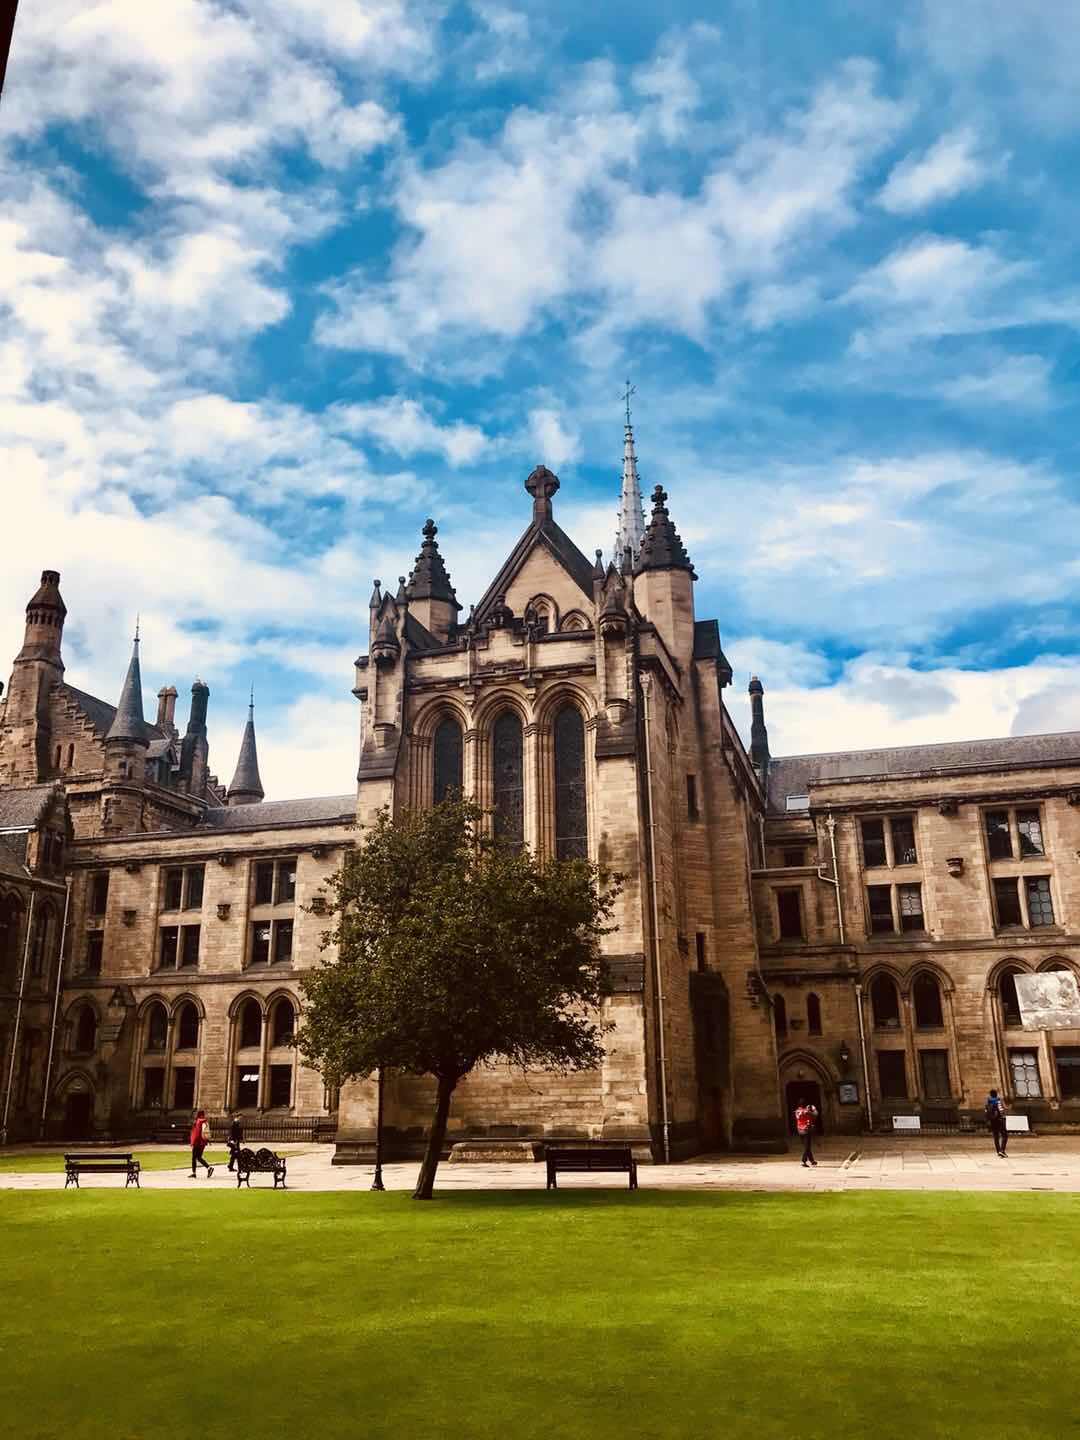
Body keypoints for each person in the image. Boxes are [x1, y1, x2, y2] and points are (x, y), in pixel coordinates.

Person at [189, 1108, 214, 1178]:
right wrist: (208, 1140)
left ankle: (194, 1173)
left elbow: (197, 1134)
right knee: (199, 1157)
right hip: (203, 1142)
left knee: (194, 1158)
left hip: (197, 1142)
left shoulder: (198, 1122)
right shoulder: (205, 1122)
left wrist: (193, 1142)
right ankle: (209, 1168)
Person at [795, 1099, 818, 1167]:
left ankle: (812, 1160)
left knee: (807, 1146)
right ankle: (803, 1160)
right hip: (806, 1130)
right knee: (807, 1147)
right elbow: (815, 1115)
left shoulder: (797, 1111)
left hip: (799, 1130)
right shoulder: (806, 1111)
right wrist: (813, 1109)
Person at [985, 1088, 1008, 1157]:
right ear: (996, 1094)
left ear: (990, 1095)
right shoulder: (998, 1101)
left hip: (992, 1121)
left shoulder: (988, 1103)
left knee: (996, 1136)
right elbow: (1001, 1111)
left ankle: (998, 1151)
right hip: (999, 1120)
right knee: (1005, 1135)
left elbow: (986, 1112)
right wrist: (1003, 1117)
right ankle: (1002, 1150)